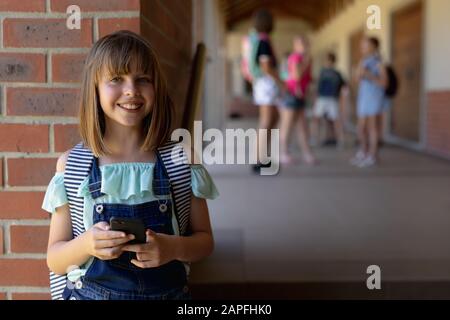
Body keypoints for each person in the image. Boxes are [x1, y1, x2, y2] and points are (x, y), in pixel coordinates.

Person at [42, 30, 219, 300]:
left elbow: (205, 242)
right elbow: (55, 259)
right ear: (95, 89)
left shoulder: (181, 161)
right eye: (116, 79)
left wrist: (172, 248)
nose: (131, 90)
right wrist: (87, 244)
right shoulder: (73, 165)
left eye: (142, 79)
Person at [247, 9, 282, 173]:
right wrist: (281, 81)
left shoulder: (259, 40)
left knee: (273, 118)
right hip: (266, 84)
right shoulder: (264, 42)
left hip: (264, 84)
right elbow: (266, 66)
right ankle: (258, 160)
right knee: (266, 121)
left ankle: (262, 157)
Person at [278, 35, 316, 165]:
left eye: (305, 44)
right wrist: (306, 62)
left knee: (302, 125)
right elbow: (297, 75)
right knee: (287, 124)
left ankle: (307, 153)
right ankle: (283, 152)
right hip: (291, 94)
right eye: (300, 44)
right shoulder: (295, 58)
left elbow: (308, 78)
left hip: (301, 95)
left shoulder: (306, 59)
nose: (304, 47)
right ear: (295, 46)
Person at [351, 36, 387, 168]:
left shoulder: (379, 62)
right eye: (362, 45)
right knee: (361, 128)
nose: (362, 48)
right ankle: (363, 151)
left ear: (374, 46)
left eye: (365, 45)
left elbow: (384, 83)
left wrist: (370, 75)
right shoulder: (363, 61)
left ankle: (373, 155)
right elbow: (357, 80)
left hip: (374, 98)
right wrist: (359, 74)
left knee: (372, 127)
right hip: (363, 98)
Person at [312, 52, 346, 148]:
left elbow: (343, 87)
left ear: (332, 61)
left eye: (328, 60)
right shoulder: (322, 72)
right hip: (321, 98)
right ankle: (315, 138)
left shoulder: (336, 73)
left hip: (332, 99)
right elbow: (317, 87)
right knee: (317, 119)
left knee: (336, 120)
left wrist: (342, 100)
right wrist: (315, 98)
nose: (327, 62)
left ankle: (340, 140)